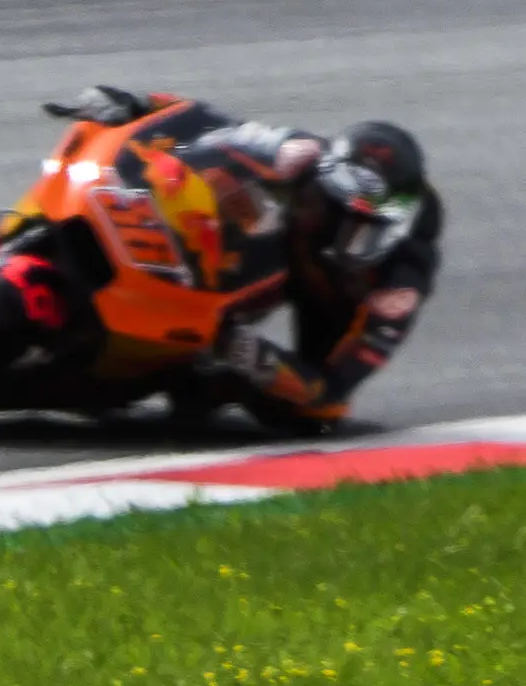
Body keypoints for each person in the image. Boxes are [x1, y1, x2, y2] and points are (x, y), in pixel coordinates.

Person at [34, 87, 440, 430]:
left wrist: (258, 359)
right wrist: (134, 106)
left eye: (351, 222)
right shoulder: (299, 154)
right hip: (271, 243)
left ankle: (193, 377)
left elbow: (335, 387)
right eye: (323, 201)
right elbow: (207, 124)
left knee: (312, 413)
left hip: (330, 290)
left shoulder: (397, 287)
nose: (325, 218)